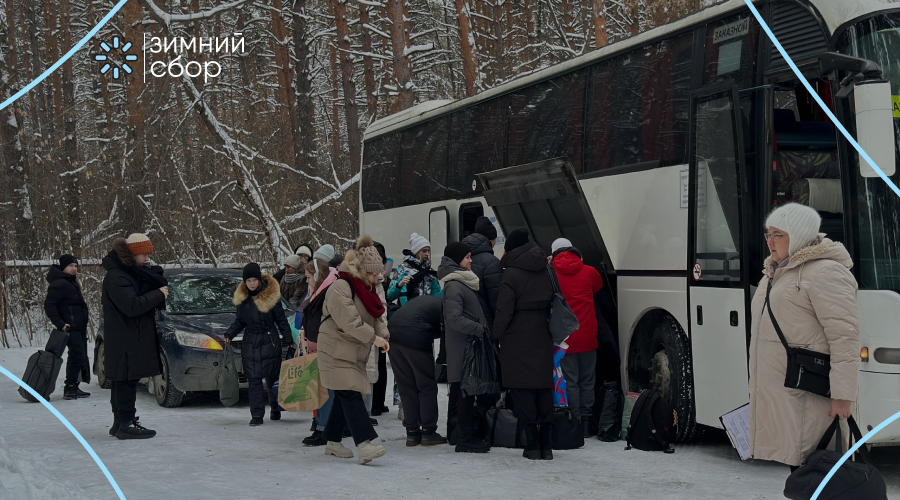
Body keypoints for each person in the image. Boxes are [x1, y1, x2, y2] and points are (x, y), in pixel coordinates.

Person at [748, 203, 860, 470]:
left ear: (797, 236)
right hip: (784, 393)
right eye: (768, 234)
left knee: (815, 468)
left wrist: (844, 396)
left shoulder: (826, 272)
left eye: (778, 235)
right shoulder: (775, 273)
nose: (770, 242)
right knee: (800, 472)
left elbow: (845, 338)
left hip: (809, 395)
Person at [318, 235, 390, 465]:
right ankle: (365, 444)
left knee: (345, 394)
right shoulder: (340, 287)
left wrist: (384, 336)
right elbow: (350, 322)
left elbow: (376, 314)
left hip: (350, 351)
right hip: (334, 350)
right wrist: (374, 339)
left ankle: (332, 441)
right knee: (350, 392)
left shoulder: (366, 288)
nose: (376, 277)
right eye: (372, 273)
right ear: (360, 270)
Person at [493, 229, 555, 460]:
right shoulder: (546, 269)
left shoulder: (511, 275)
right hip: (542, 333)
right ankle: (546, 446)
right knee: (543, 389)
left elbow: (504, 311)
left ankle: (531, 446)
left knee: (523, 390)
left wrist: (495, 334)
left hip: (517, 338)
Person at [101, 234, 168, 439]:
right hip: (124, 338)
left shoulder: (127, 273)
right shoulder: (117, 276)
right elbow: (131, 306)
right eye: (144, 254)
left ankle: (120, 422)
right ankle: (126, 423)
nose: (147, 258)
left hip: (129, 336)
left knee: (124, 381)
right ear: (132, 254)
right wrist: (159, 294)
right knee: (124, 380)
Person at [224, 263, 295, 426]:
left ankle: (275, 408)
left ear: (259, 279)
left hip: (270, 340)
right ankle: (256, 414)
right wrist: (230, 333)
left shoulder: (270, 295)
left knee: (272, 378)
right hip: (250, 342)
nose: (252, 283)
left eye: (254, 279)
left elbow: (281, 319)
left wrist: (289, 340)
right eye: (248, 280)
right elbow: (240, 320)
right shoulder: (243, 298)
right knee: (254, 380)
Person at [439, 241, 491, 454]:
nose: (471, 260)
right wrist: (479, 329)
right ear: (456, 260)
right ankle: (464, 438)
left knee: (466, 392)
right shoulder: (454, 285)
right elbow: (454, 319)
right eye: (467, 257)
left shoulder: (461, 282)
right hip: (463, 347)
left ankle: (465, 436)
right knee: (464, 393)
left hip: (467, 346)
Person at [550, 238, 604, 437]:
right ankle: (588, 423)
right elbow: (598, 288)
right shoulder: (589, 271)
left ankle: (575, 423)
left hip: (565, 338)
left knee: (570, 381)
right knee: (588, 380)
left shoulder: (552, 275)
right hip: (588, 335)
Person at [387, 295, 446, 446]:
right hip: (415, 334)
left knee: (406, 386)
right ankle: (428, 431)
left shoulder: (427, 302)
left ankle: (412, 433)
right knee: (426, 385)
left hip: (392, 334)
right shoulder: (447, 306)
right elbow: (446, 332)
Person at [461, 216, 503, 410]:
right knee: (488, 373)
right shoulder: (491, 261)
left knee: (467, 374)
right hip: (485, 326)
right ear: (490, 240)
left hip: (464, 325)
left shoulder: (460, 259)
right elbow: (496, 300)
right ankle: (487, 417)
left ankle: (465, 420)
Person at [301, 249, 341, 447]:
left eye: (309, 277)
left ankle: (324, 428)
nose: (307, 281)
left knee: (326, 390)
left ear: (318, 276)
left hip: (327, 347)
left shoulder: (329, 292)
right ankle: (322, 425)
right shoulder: (318, 291)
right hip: (319, 347)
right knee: (322, 389)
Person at [43, 254, 91, 400]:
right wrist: (60, 323)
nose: (74, 268)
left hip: (78, 326)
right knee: (78, 355)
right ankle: (70, 387)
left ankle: (72, 386)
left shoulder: (70, 282)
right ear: (63, 267)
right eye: (71, 266)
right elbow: (49, 305)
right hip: (70, 327)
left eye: (75, 266)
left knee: (77, 356)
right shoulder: (59, 283)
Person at [387, 233, 442, 306]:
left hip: (426, 312)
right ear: (416, 251)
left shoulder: (429, 271)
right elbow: (390, 295)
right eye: (424, 251)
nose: (427, 254)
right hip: (407, 312)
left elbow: (436, 296)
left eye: (428, 251)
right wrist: (400, 284)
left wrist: (446, 289)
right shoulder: (402, 269)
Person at [370, 241, 391, 417]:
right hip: (372, 326)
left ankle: (378, 402)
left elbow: (383, 303)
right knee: (373, 365)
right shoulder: (370, 279)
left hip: (379, 324)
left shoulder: (381, 278)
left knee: (380, 365)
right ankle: (373, 403)